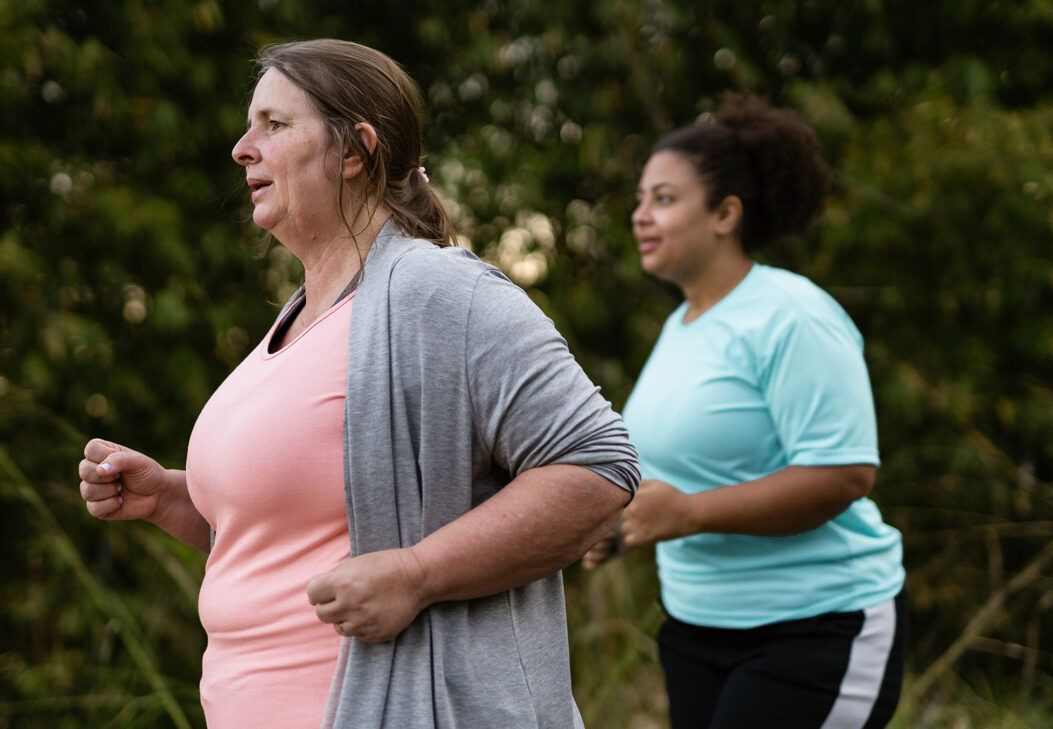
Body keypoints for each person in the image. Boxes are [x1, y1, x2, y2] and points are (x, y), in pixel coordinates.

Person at [76, 39, 639, 729]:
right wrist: (170, 496)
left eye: (274, 125)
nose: (241, 147)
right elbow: (298, 538)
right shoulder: (296, 319)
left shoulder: (437, 291)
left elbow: (598, 465)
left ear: (353, 151)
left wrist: (418, 573)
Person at [583, 95, 906, 729]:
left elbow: (844, 475)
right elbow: (679, 475)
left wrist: (690, 514)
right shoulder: (682, 325)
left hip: (815, 631)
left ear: (726, 213)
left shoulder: (792, 314)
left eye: (665, 199)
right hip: (697, 630)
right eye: (640, 199)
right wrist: (627, 525)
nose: (640, 216)